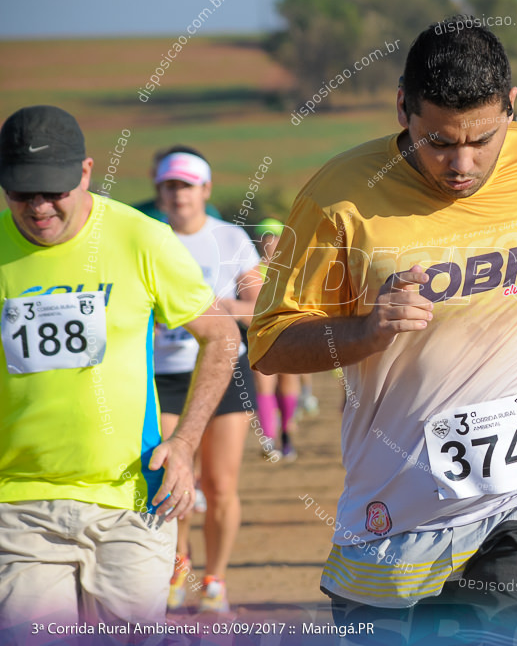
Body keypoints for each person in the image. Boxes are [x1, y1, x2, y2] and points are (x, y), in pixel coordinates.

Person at [247, 16, 517, 641]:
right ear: (402, 109)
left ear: (511, 107)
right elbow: (272, 343)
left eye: (482, 139)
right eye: (438, 142)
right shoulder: (339, 199)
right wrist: (365, 330)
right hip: (398, 512)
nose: (461, 164)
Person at [0, 106, 237, 635]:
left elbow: (222, 336)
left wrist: (184, 443)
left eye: (53, 190)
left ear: (85, 173)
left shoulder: (139, 238)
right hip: (17, 507)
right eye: (20, 192)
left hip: (131, 502)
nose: (38, 208)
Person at [151, 149, 262, 613]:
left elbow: (258, 307)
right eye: (170, 186)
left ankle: (214, 578)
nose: (179, 195)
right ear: (158, 191)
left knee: (218, 485)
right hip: (164, 372)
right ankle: (178, 566)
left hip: (226, 369)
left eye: (187, 185)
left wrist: (209, 316)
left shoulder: (231, 238)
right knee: (172, 480)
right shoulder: (148, 237)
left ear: (205, 191)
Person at [252, 217, 301, 461]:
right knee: (264, 385)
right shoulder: (251, 268)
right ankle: (268, 440)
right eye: (265, 237)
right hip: (261, 334)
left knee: (288, 384)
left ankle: (286, 434)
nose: (269, 242)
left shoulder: (292, 268)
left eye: (273, 237)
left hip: (289, 333)